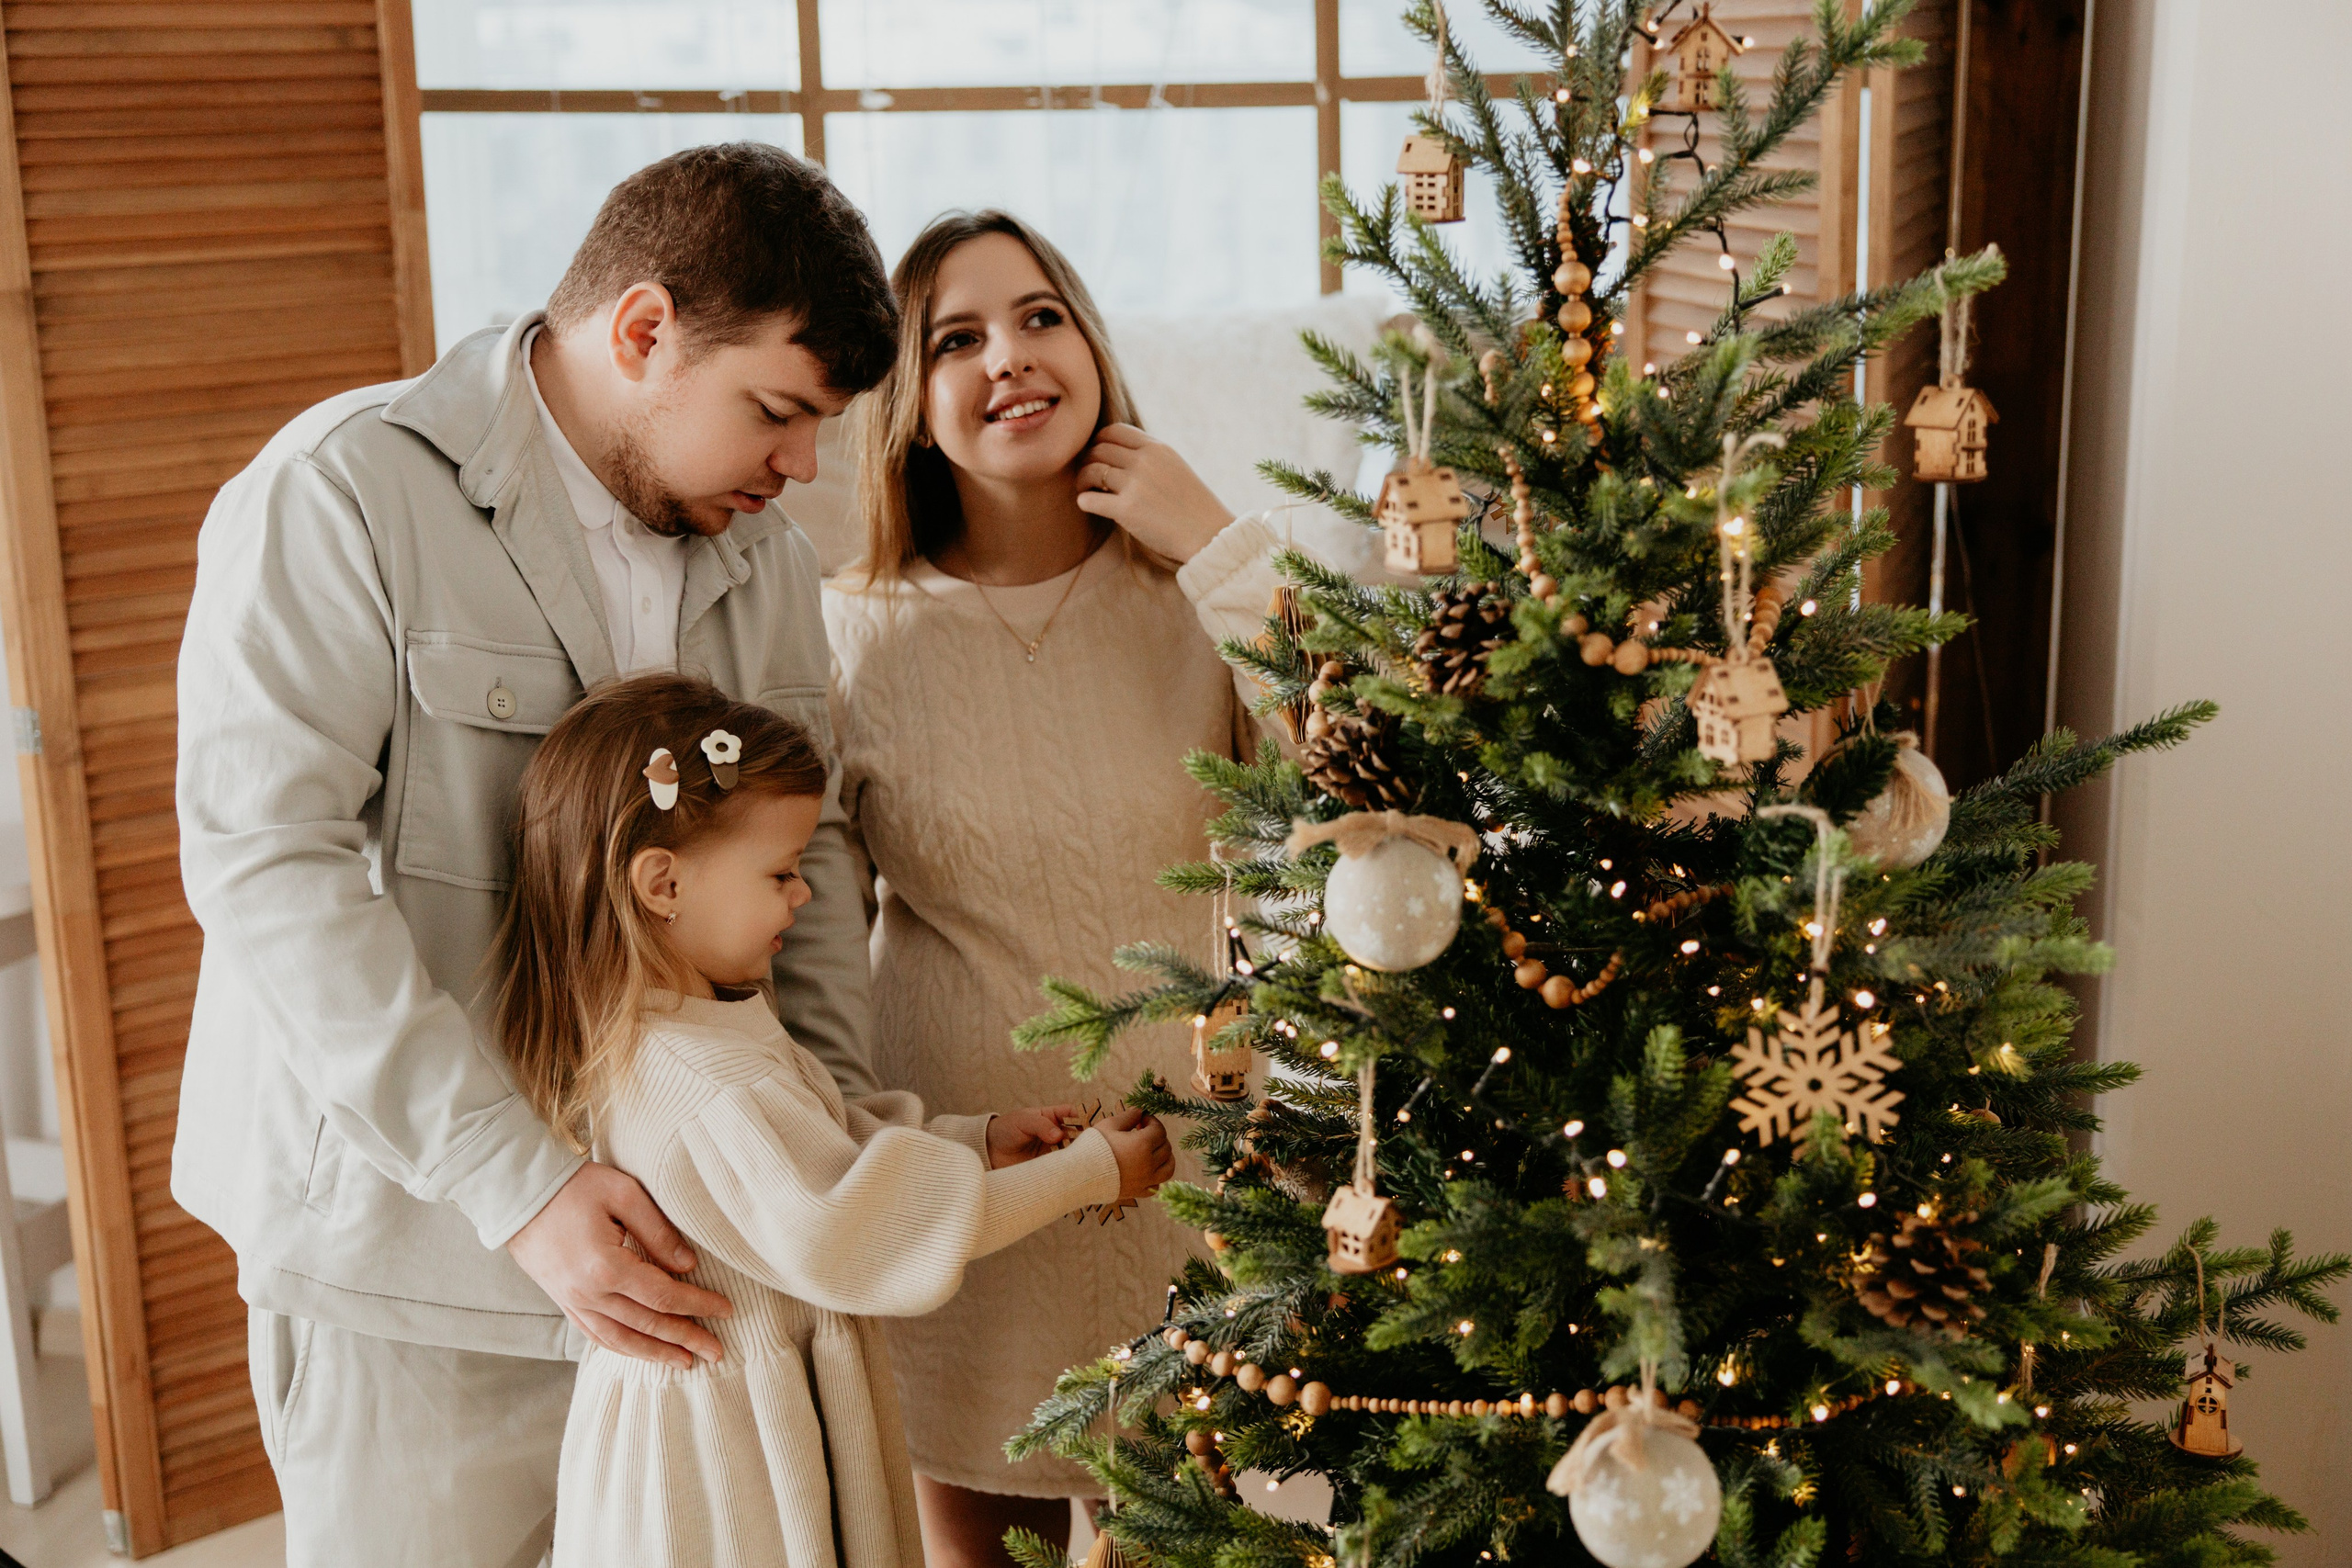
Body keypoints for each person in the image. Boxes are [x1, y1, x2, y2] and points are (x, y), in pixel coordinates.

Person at [173, 144, 897, 1567]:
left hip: (702, 1267)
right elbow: (270, 866)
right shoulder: (344, 492)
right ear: (642, 333)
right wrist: (522, 1186)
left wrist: (831, 1152)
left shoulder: (771, 565)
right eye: (776, 410)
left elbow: (812, 880)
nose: (804, 466)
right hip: (418, 1261)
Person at [825, 209, 1295, 1564]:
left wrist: (1215, 539)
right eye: (955, 339)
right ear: (908, 407)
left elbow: (1366, 762)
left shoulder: (1195, 588)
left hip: (1193, 1165)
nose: (1010, 359)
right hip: (981, 1180)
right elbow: (806, 955)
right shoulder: (844, 631)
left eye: (1041, 316)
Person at [482, 672, 1174, 1568]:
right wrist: (1092, 1174)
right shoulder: (699, 1080)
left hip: (754, 1419)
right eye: (780, 872)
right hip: (722, 1466)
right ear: (662, 884)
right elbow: (864, 1231)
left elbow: (826, 1144)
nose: (803, 897)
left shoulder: (707, 1021)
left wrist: (977, 1140)